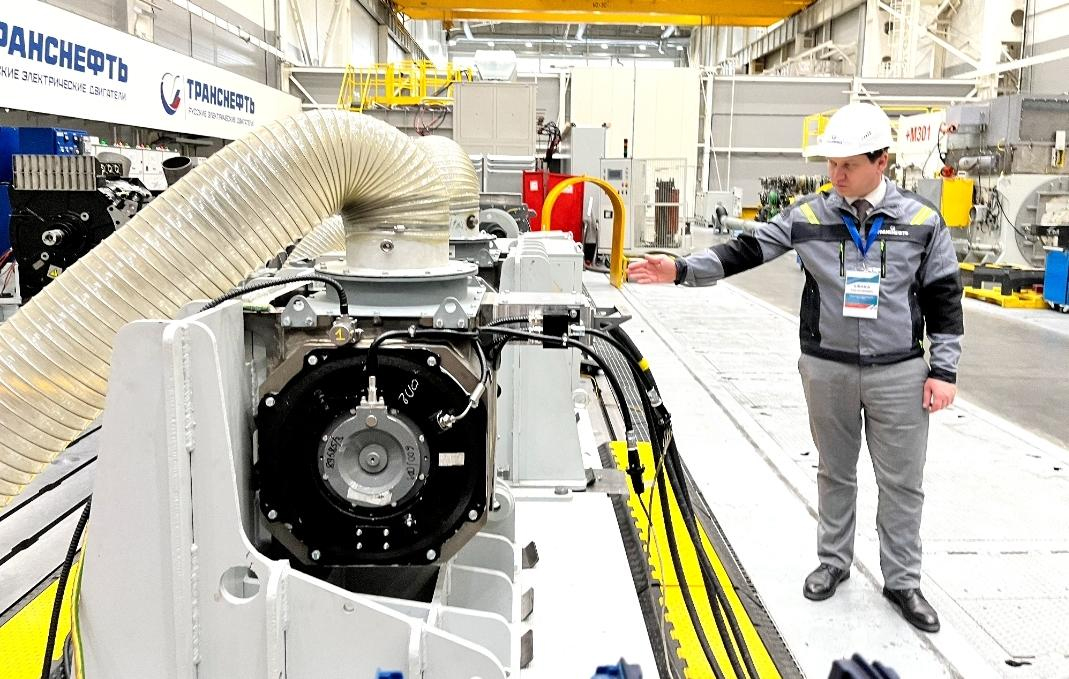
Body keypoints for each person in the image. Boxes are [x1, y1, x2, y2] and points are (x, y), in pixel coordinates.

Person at [627, 102, 963, 633]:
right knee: (834, 471)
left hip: (899, 372)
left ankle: (903, 581)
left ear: (882, 162)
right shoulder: (810, 216)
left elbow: (944, 297)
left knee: (902, 482)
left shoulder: (921, 221)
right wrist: (683, 269)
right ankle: (834, 562)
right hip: (827, 368)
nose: (836, 175)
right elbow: (747, 249)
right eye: (831, 164)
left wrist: (943, 371)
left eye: (847, 165)